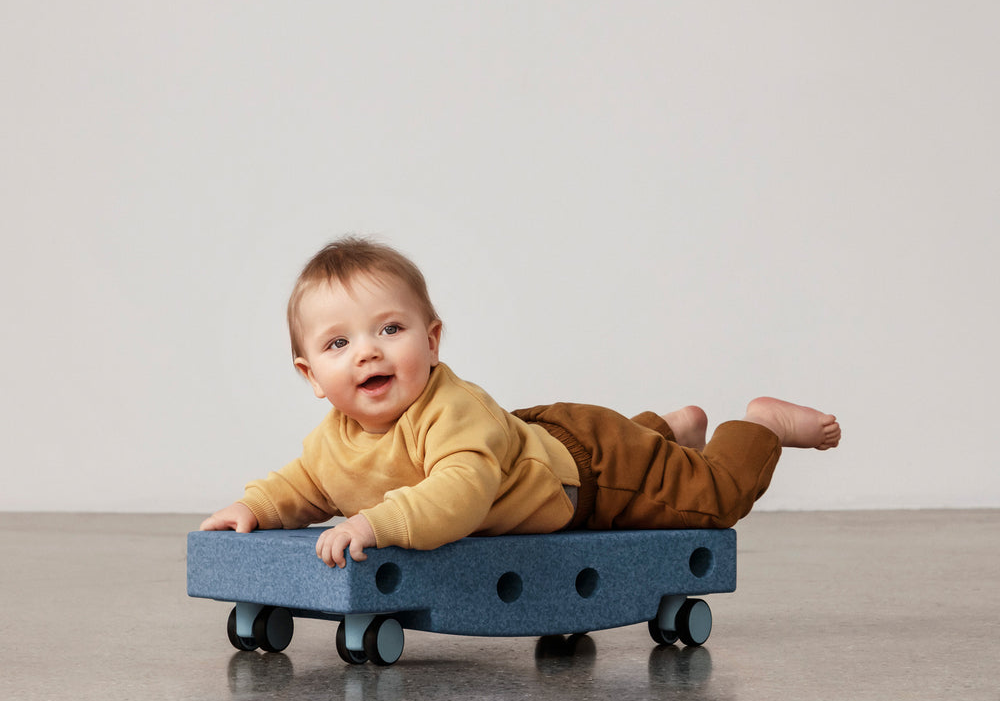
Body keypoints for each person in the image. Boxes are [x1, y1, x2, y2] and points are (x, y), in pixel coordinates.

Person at [201, 237, 841, 568]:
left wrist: (377, 524)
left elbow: (460, 494)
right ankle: (669, 430)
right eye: (339, 343)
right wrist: (254, 506)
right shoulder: (334, 438)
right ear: (312, 375)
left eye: (389, 329)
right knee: (627, 448)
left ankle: (756, 426)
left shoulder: (449, 413)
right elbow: (307, 483)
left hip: (590, 475)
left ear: (432, 340)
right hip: (531, 441)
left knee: (711, 499)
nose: (368, 352)